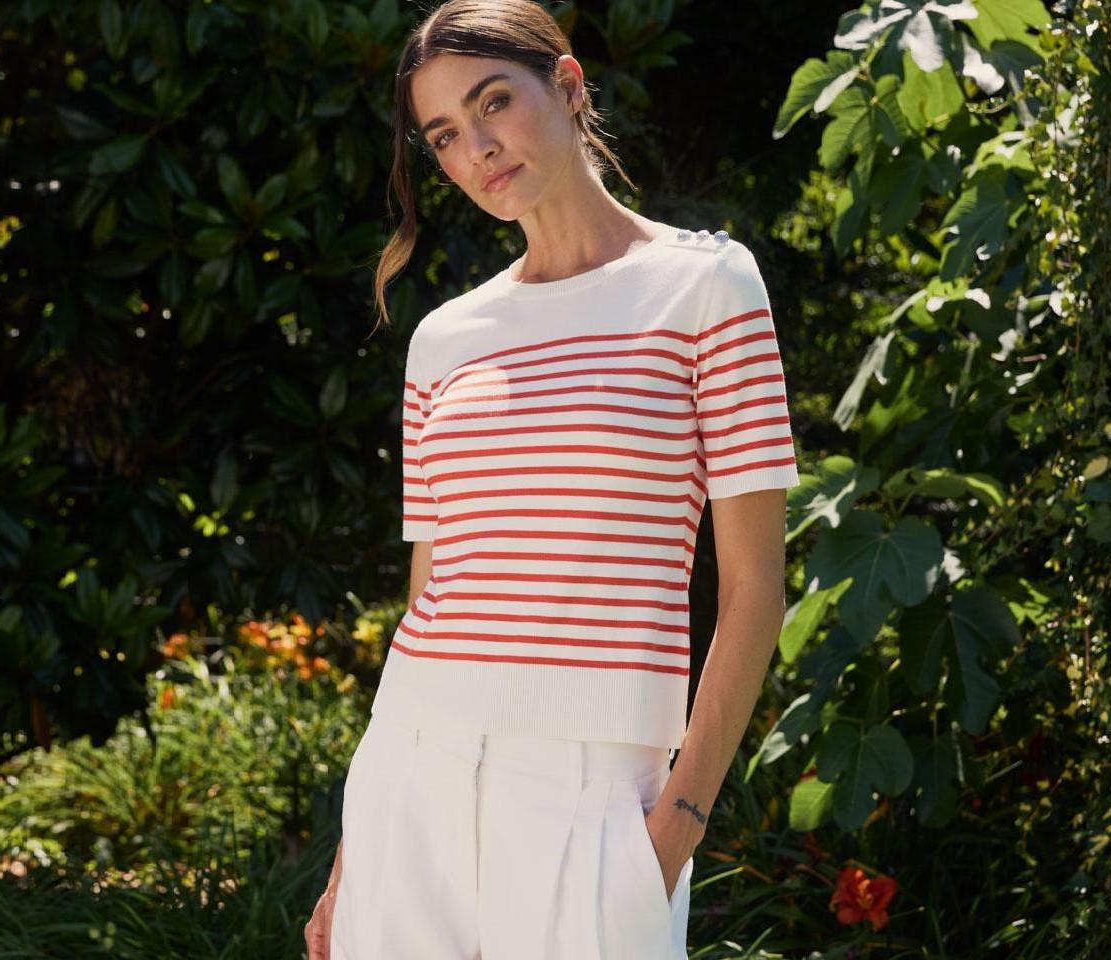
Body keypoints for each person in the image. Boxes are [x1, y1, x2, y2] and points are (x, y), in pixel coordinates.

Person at [305, 1, 800, 957]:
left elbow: (754, 590)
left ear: (568, 86)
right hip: (410, 772)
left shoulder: (706, 287)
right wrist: (352, 853)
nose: (477, 148)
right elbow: (432, 589)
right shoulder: (443, 339)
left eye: (494, 102)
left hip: (594, 795)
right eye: (444, 136)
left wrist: (676, 829)